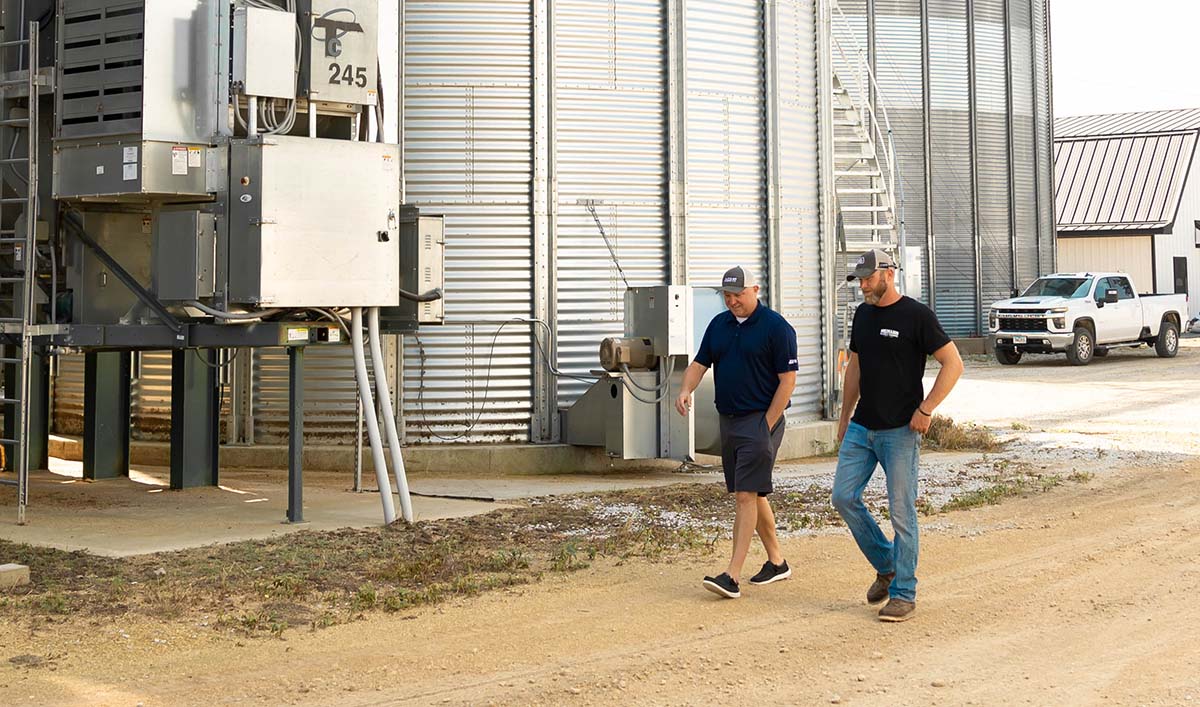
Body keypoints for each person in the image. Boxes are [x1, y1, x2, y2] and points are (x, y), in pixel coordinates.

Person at [832, 249, 963, 622]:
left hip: (900, 432)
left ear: (888, 274)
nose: (862, 286)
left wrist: (926, 410)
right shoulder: (862, 314)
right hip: (862, 427)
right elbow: (854, 366)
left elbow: (953, 364)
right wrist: (844, 417)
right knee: (843, 497)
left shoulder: (917, 316)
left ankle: (904, 593)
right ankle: (888, 564)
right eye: (859, 279)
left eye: (868, 278)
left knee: (902, 513)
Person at [674, 265, 799, 599]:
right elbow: (700, 364)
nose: (732, 302)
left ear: (755, 290)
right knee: (752, 492)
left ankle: (732, 575)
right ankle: (777, 562)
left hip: (761, 420)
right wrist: (686, 389)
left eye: (738, 295)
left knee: (745, 495)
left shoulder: (777, 328)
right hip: (728, 420)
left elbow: (788, 382)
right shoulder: (719, 325)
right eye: (727, 296)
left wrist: (767, 424)